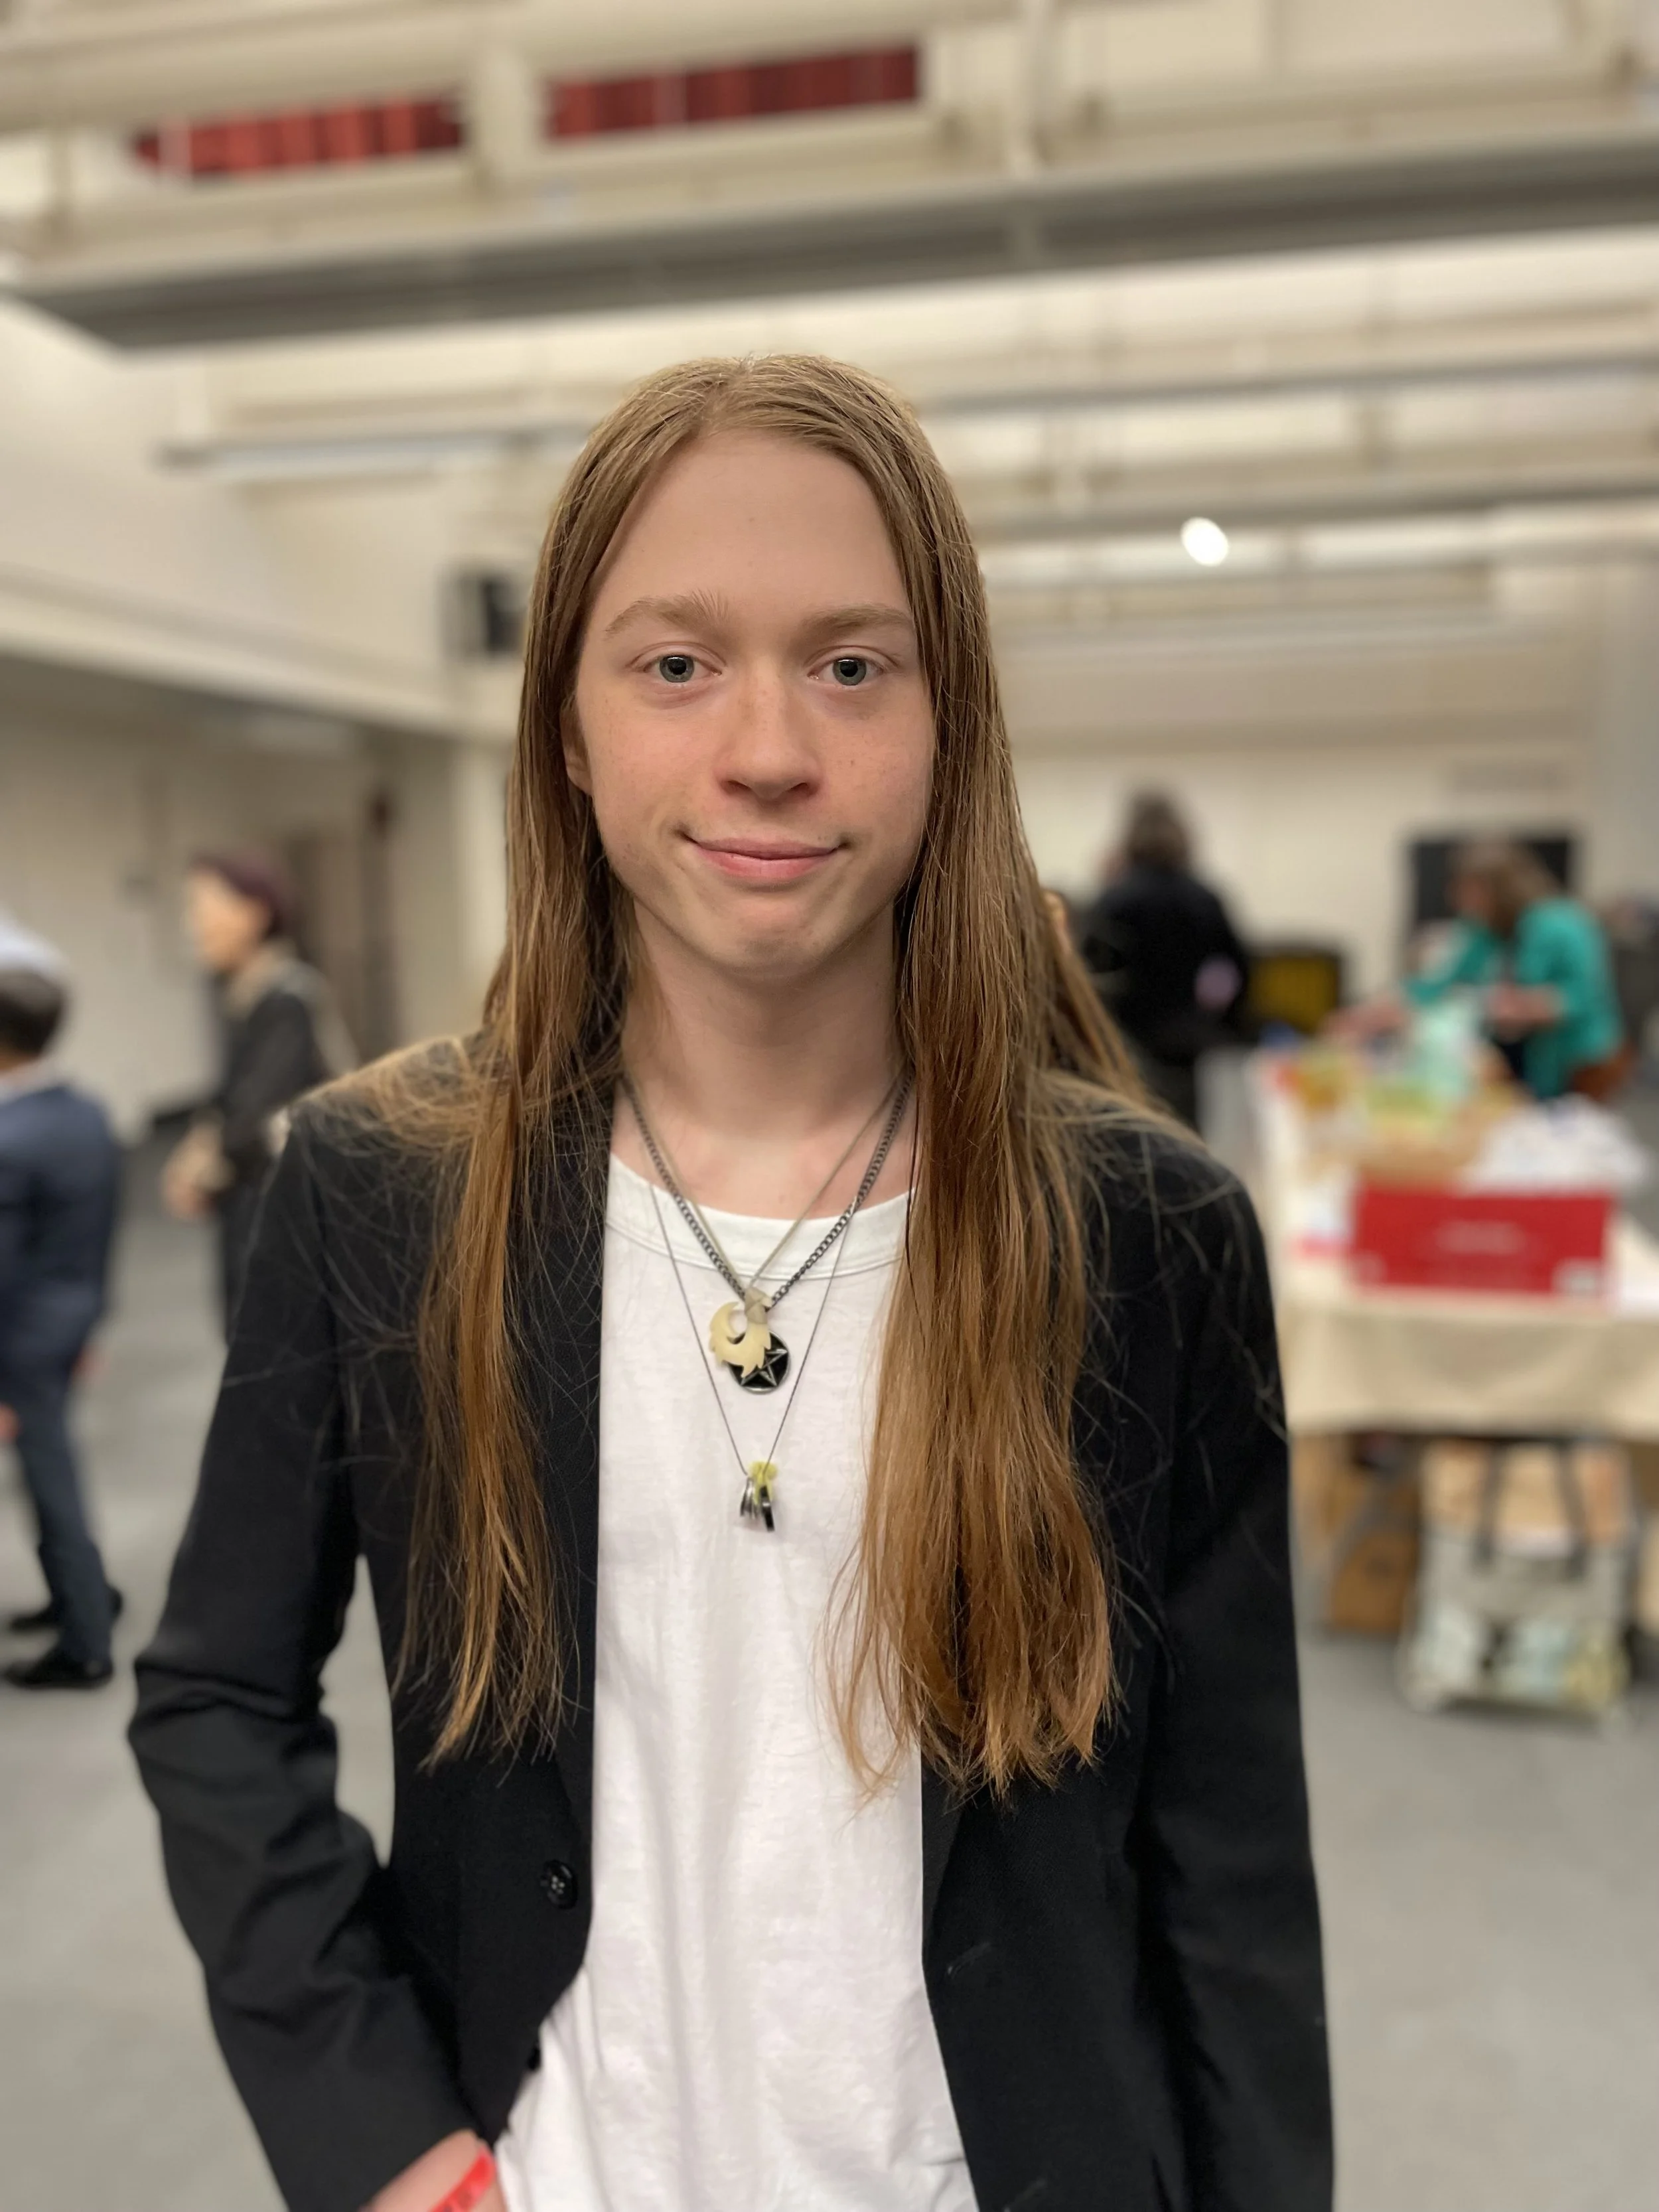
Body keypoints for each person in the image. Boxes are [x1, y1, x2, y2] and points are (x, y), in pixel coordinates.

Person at [131, 357, 1331, 2212]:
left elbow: (1230, 1858)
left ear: (951, 723)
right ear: (566, 731)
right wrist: (383, 2135)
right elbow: (215, 1695)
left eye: (852, 664)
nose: (767, 747)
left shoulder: (1144, 1234)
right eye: (675, 663)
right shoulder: (383, 1194)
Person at [161, 852, 353, 1330]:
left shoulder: (287, 995)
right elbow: (230, 1096)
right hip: (260, 1196)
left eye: (202, 908)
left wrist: (201, 1172)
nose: (193, 925)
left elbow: (252, 1118)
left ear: (253, 914)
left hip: (288, 1207)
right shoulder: (248, 991)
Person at [0, 948, 122, 1690]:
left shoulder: (10, 1139)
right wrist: (90, 1326)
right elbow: (101, 1231)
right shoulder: (88, 1114)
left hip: (21, 1338)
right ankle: (76, 1598)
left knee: (50, 1477)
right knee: (51, 1469)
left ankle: (85, 1640)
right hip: (71, 1318)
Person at [1076, 792, 1250, 1126]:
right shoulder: (1204, 899)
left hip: (1127, 1042)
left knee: (1134, 1135)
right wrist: (1220, 1021)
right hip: (1187, 1041)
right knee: (1185, 1140)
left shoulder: (1115, 900)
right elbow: (1240, 968)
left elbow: (1086, 975)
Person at [1404, 840, 1627, 1100]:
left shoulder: (1564, 923)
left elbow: (1586, 994)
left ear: (1502, 887)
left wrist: (1527, 1005)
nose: (1460, 899)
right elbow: (1447, 981)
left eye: (1471, 889)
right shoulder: (1484, 928)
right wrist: (1399, 1000)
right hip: (1528, 1056)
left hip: (1579, 1058)